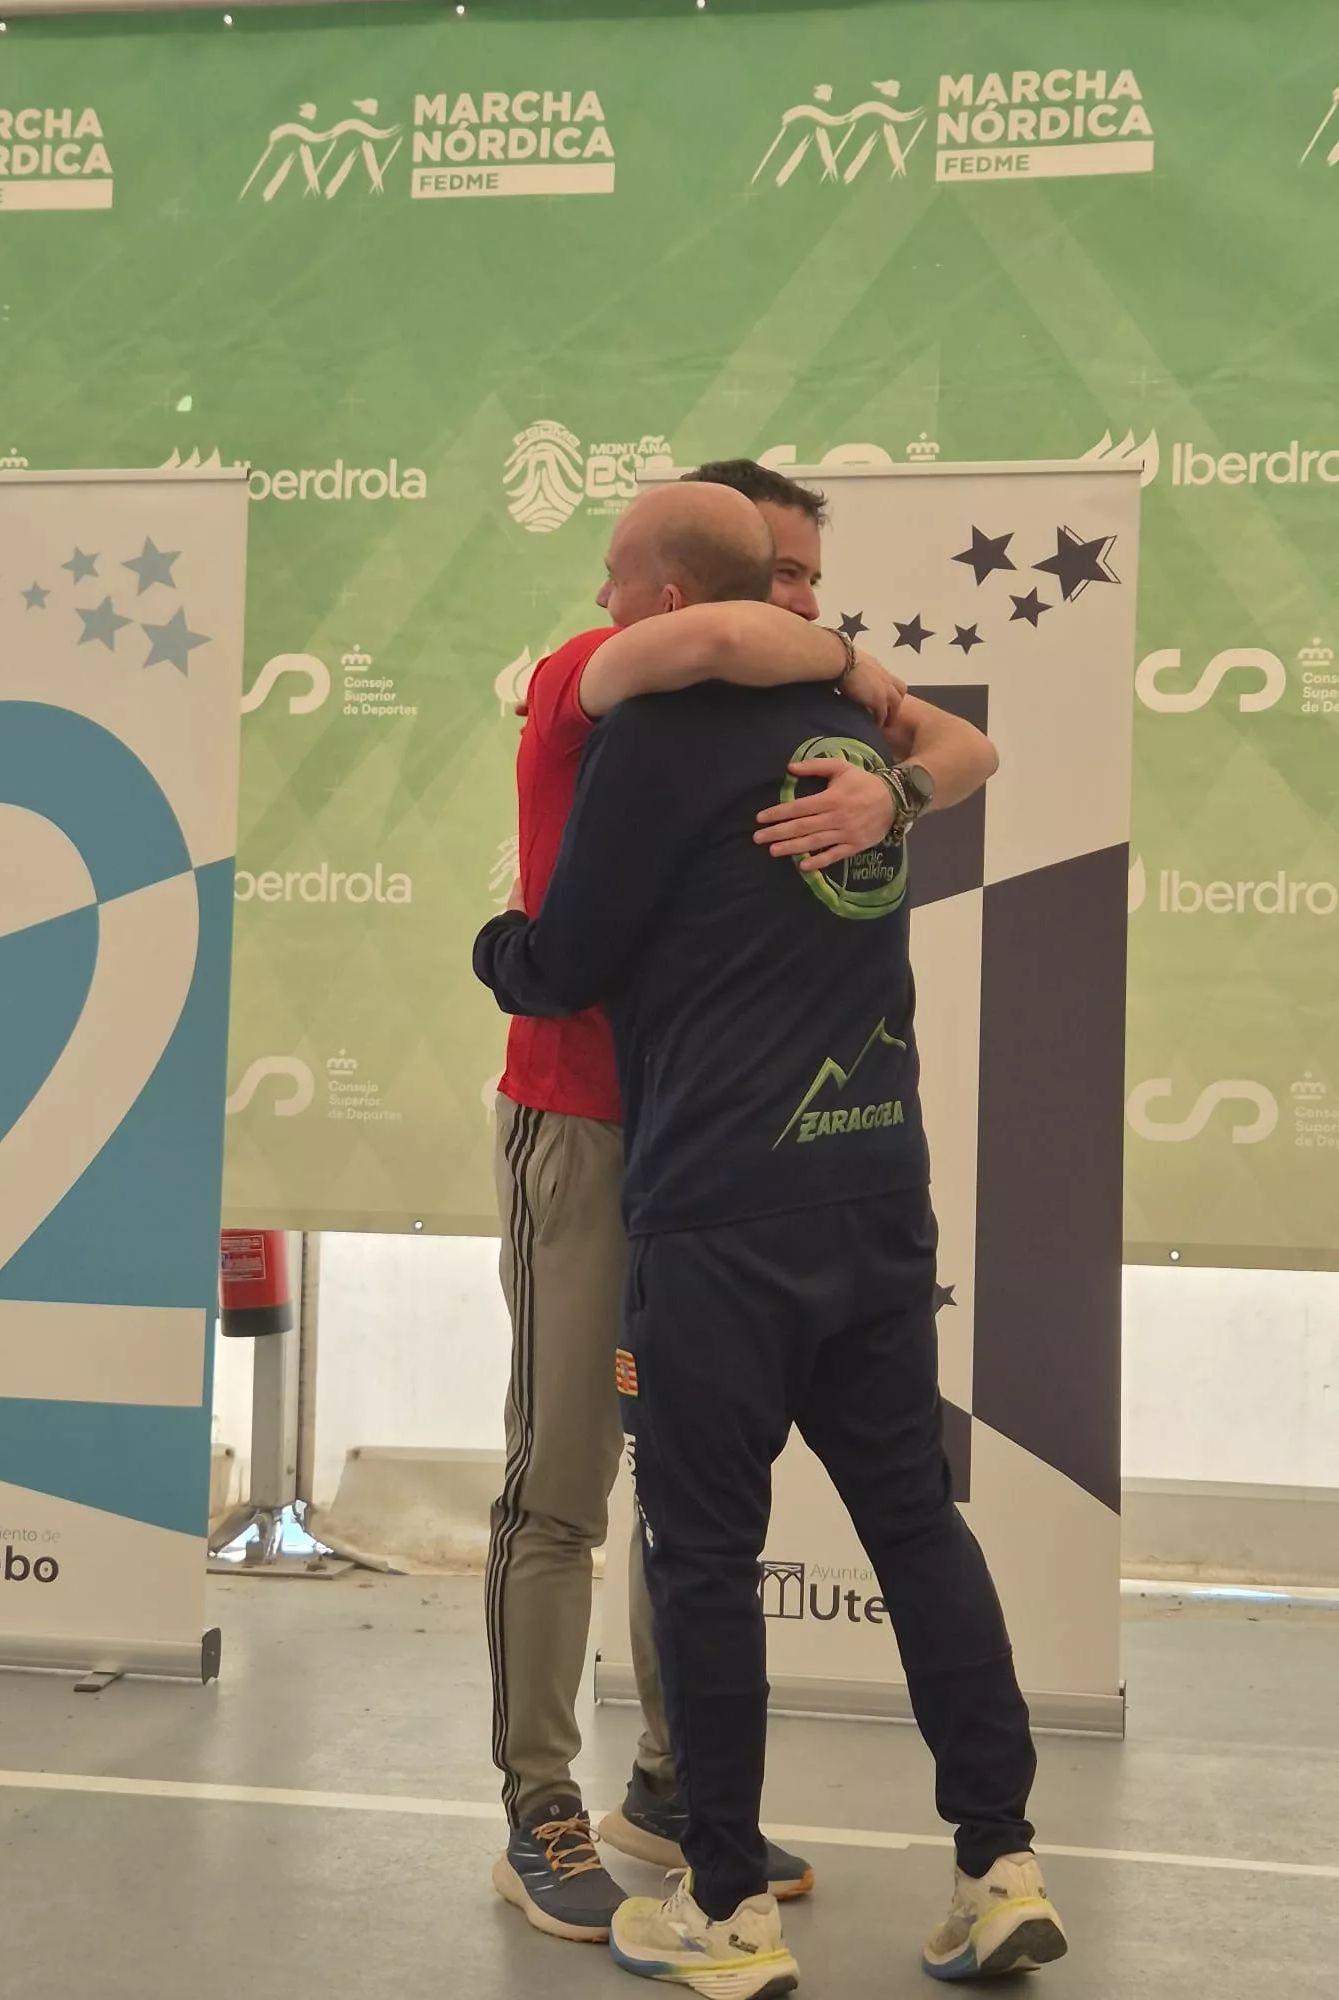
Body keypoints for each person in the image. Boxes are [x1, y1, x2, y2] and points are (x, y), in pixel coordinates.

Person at [475, 480, 1064, 1996]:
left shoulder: (724, 744)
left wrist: (498, 947)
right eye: (782, 581)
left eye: (816, 582)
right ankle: (994, 1859)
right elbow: (716, 633)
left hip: (711, 1188)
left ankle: (718, 1886)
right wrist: (858, 693)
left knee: (702, 1547)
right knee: (625, 1497)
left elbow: (568, 959)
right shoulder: (636, 691)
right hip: (836, 1178)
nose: (800, 608)